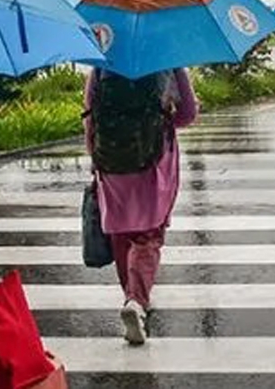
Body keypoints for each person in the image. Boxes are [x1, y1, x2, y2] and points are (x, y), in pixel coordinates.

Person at [84, 67, 197, 346]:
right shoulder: (168, 64)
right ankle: (136, 301)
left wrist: (95, 155)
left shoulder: (101, 68)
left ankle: (131, 295)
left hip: (111, 162)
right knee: (149, 235)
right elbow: (187, 115)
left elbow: (90, 117)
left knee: (121, 234)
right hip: (153, 161)